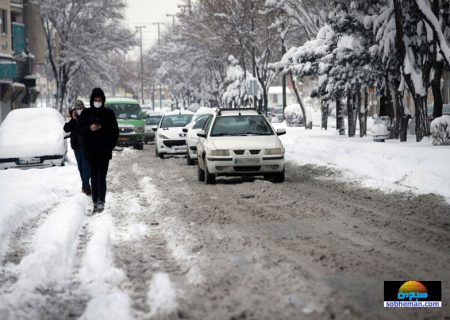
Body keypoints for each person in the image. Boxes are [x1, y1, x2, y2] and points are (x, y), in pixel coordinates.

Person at [79, 88, 119, 213]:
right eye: (95, 100)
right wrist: (89, 128)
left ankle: (101, 200)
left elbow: (115, 131)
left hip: (104, 150)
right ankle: (95, 200)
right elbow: (80, 131)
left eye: (99, 100)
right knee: (93, 176)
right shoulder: (86, 114)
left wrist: (110, 144)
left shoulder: (109, 113)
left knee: (101, 176)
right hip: (91, 150)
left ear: (103, 100)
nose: (97, 102)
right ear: (92, 100)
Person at [63, 100, 91, 195]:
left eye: (81, 108)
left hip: (87, 145)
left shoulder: (87, 115)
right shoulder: (73, 117)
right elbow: (66, 128)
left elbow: (88, 128)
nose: (79, 109)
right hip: (76, 146)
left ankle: (85, 187)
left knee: (86, 166)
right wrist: (73, 119)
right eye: (77, 108)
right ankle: (86, 185)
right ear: (75, 108)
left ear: (83, 107)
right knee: (81, 167)